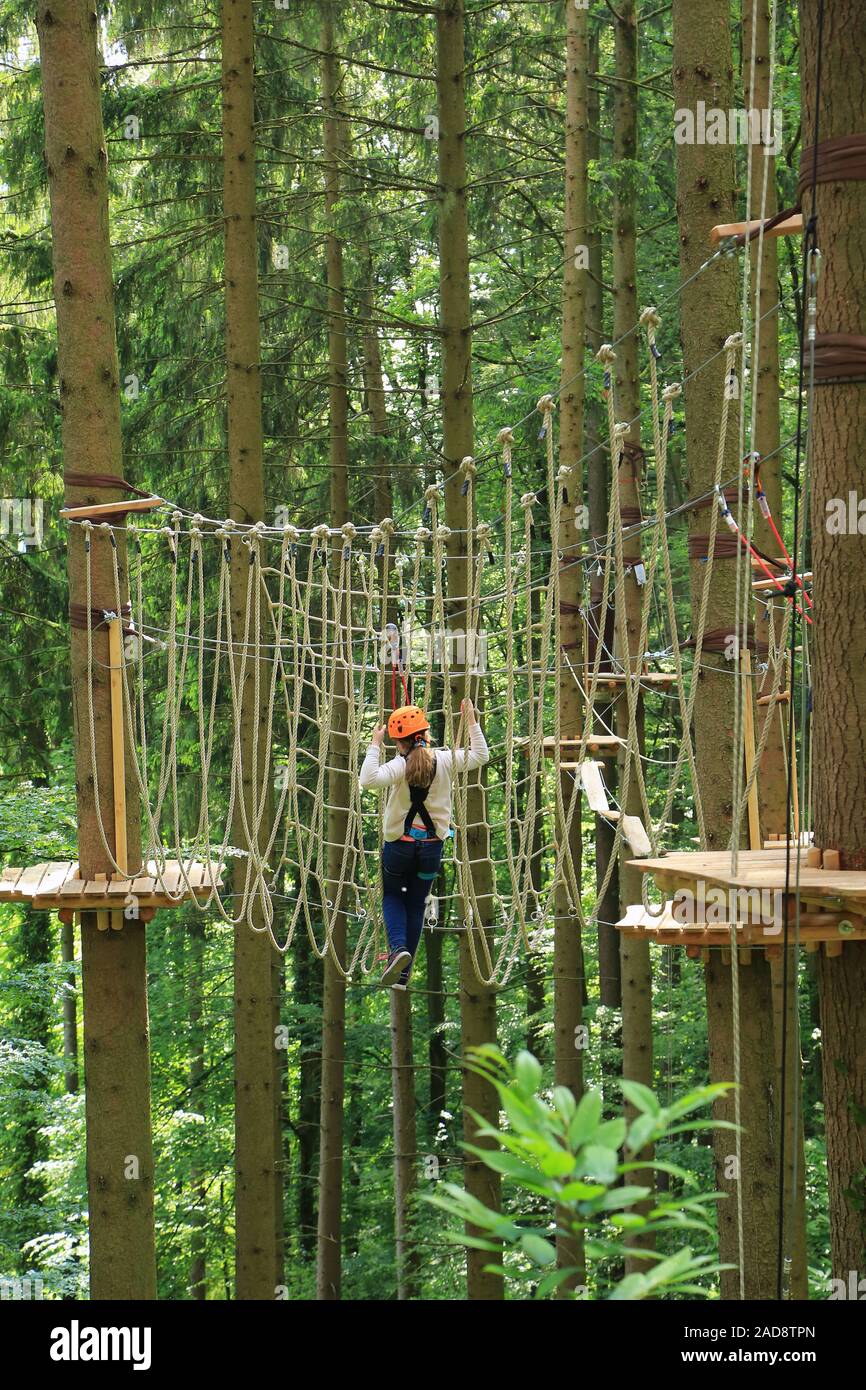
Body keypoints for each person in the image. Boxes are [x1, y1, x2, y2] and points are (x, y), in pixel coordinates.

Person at [359, 699, 489, 987]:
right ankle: (402, 976)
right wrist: (470, 720)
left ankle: (398, 951)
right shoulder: (444, 760)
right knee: (416, 903)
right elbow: (481, 755)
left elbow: (367, 780)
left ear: (399, 743)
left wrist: (374, 744)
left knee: (393, 897)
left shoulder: (398, 766)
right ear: (426, 735)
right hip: (431, 848)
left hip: (399, 847)